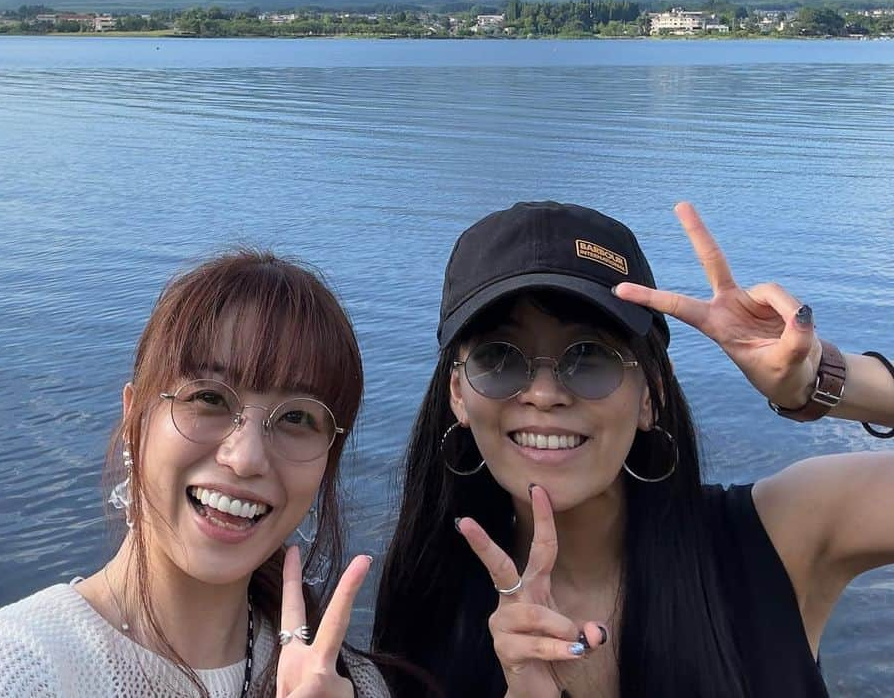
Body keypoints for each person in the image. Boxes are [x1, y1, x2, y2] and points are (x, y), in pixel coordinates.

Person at [372, 201, 894, 698]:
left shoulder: (779, 538)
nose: (545, 394)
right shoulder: (426, 599)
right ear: (459, 394)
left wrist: (819, 382)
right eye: (499, 359)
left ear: (650, 397)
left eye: (590, 358)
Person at [0, 250, 390, 697]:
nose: (246, 458)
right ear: (134, 420)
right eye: (208, 398)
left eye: (296, 419)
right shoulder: (9, 676)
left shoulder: (349, 684)